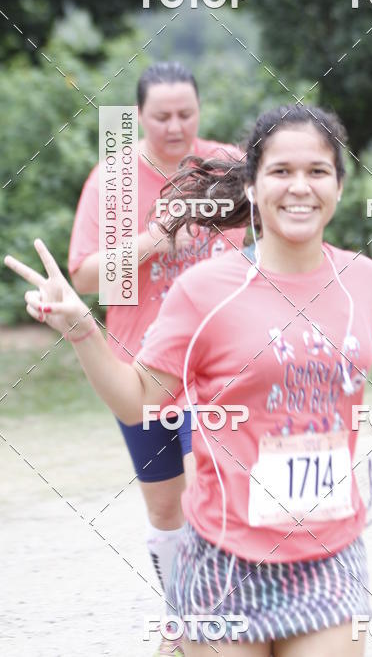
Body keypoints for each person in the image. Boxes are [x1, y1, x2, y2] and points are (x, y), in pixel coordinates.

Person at [6, 103, 372, 657]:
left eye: (317, 171)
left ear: (339, 188)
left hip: (329, 560)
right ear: (252, 186)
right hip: (221, 563)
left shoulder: (362, 280)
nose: (300, 187)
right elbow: (137, 402)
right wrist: (82, 328)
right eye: (281, 171)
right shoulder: (204, 290)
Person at [67, 62, 245, 656]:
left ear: (200, 109)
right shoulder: (113, 182)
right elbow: (89, 277)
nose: (176, 126)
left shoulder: (226, 168)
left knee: (209, 487)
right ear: (138, 116)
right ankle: (182, 620)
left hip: (220, 364)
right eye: (162, 116)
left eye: (186, 114)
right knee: (167, 510)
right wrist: (155, 237)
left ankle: (228, 619)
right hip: (142, 369)